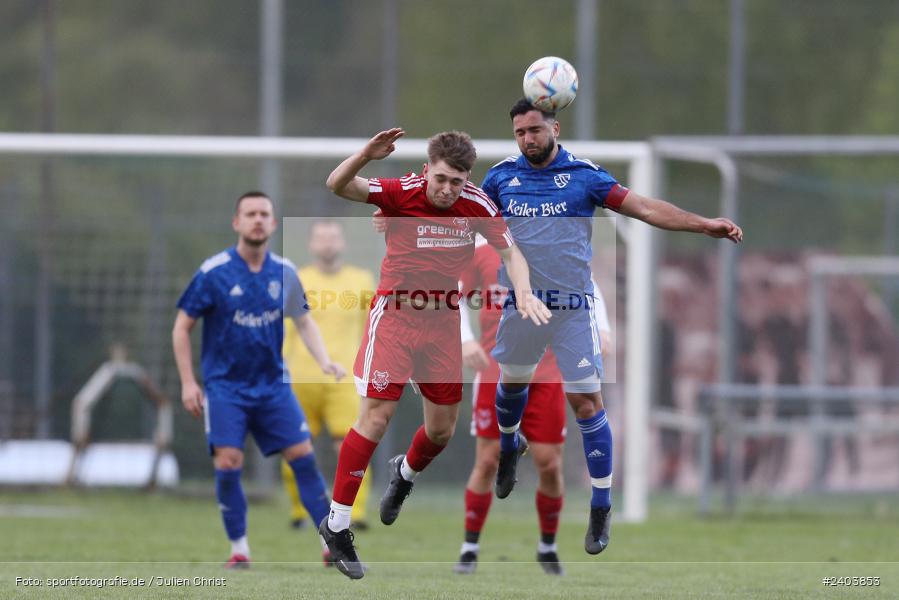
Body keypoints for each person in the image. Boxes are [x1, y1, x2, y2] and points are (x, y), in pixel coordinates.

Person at [485, 99, 743, 556]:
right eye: (520, 132)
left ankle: (601, 506)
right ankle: (509, 445)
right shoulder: (501, 178)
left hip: (572, 309)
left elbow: (643, 207)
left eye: (535, 131)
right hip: (522, 306)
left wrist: (703, 225)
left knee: (586, 402)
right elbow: (468, 220)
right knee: (509, 388)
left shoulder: (585, 175)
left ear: (555, 127)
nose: (527, 139)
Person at [318, 128, 550, 580]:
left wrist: (522, 290)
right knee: (377, 416)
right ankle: (337, 525)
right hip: (397, 319)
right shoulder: (402, 191)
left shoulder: (478, 205)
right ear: (427, 170)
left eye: (456, 182)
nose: (446, 190)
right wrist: (366, 154)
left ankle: (403, 473)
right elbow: (339, 185)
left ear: (467, 180)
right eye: (440, 179)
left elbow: (511, 251)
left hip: (443, 323)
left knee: (441, 432)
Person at [172, 191, 346, 569]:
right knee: (229, 462)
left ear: (273, 223)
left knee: (303, 456)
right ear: (236, 222)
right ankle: (239, 549)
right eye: (249, 213)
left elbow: (303, 321)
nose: (257, 219)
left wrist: (325, 360)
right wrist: (189, 382)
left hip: (272, 386)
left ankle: (330, 544)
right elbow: (182, 327)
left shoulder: (284, 272)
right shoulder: (213, 272)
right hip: (225, 388)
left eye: (264, 214)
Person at [452, 232, 613, 575]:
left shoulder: (555, 243)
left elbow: (590, 286)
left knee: (548, 463)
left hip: (549, 368)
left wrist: (602, 327)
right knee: (488, 460)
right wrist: (466, 340)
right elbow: (456, 296)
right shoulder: (484, 248)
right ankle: (469, 548)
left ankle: (547, 547)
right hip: (499, 365)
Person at [281, 220, 376, 531]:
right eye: (321, 238)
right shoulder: (297, 279)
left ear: (342, 243)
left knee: (352, 445)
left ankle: (355, 513)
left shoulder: (361, 280)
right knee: (295, 446)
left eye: (333, 237)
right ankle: (300, 512)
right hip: (301, 377)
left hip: (346, 379)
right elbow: (285, 329)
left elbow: (372, 328)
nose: (327, 243)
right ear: (311, 245)